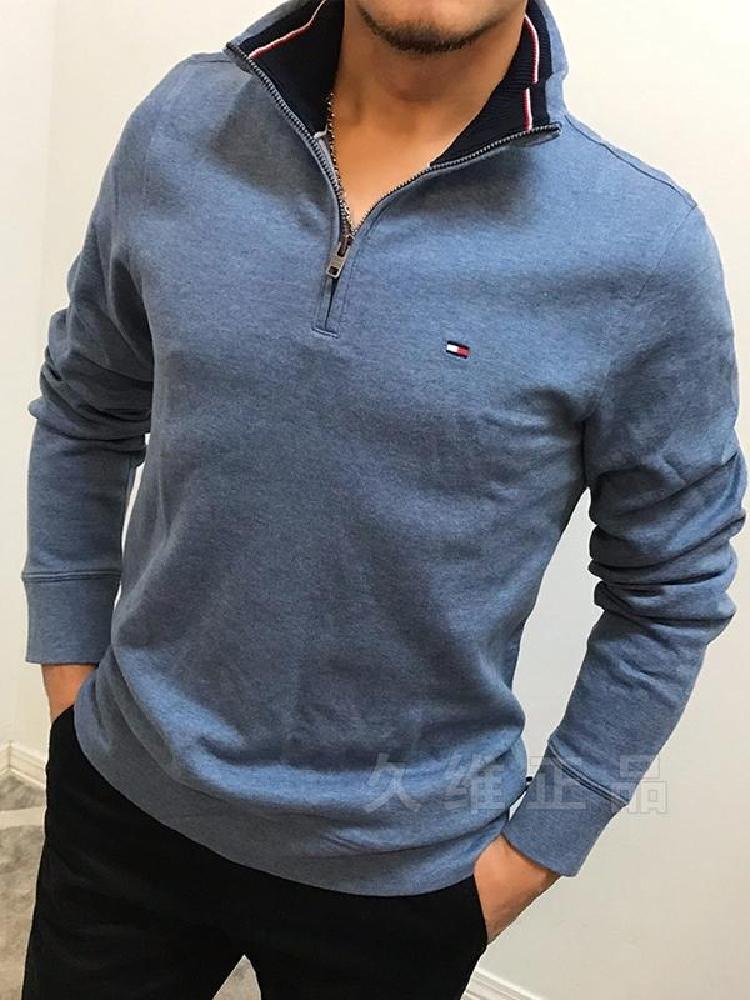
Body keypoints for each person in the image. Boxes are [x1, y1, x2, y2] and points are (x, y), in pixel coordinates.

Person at [20, 0, 746, 997]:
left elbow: (671, 588)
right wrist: (69, 687)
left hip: (403, 887)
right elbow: (87, 405)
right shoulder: (182, 125)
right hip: (122, 810)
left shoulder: (642, 250)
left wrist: (534, 852)